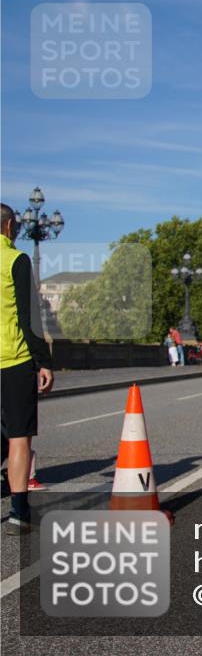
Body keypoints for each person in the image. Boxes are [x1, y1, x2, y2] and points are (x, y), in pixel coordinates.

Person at [1, 203, 54, 534]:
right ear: (8, 227)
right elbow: (28, 317)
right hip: (13, 360)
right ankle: (19, 512)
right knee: (19, 437)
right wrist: (43, 361)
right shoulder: (15, 260)